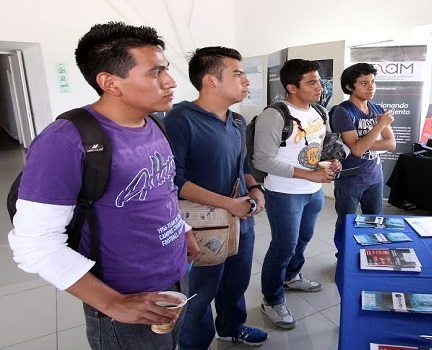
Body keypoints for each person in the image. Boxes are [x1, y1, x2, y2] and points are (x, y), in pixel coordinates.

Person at [7, 22, 200, 349]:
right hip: (127, 293)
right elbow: (34, 244)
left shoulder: (154, 122)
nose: (170, 81)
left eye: (165, 69)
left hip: (174, 274)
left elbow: (159, 191)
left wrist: (182, 229)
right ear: (110, 82)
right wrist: (111, 303)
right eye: (155, 73)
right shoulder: (65, 141)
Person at [163, 47, 268, 348]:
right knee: (199, 294)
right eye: (237, 74)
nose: (246, 81)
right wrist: (228, 204)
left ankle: (231, 327)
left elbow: (244, 166)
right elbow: (175, 179)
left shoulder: (236, 121)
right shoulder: (180, 119)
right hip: (201, 225)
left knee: (236, 282)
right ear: (210, 80)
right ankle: (194, 343)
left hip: (239, 220)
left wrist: (254, 188)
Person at [253, 59, 341, 329]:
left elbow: (324, 144)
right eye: (312, 82)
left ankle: (291, 276)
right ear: (292, 87)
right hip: (285, 193)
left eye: (320, 81)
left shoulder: (318, 111)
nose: (320, 87)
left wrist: (333, 160)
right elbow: (262, 160)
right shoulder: (274, 115)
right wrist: (309, 175)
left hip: (313, 192)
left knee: (303, 239)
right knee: (283, 246)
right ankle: (271, 299)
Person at [330, 63, 395, 250]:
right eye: (364, 83)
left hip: (374, 175)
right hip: (350, 179)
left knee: (375, 222)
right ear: (350, 86)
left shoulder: (377, 109)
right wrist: (379, 126)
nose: (371, 87)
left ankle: (369, 255)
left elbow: (391, 144)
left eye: (373, 82)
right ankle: (343, 258)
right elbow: (357, 150)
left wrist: (363, 142)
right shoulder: (342, 111)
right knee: (346, 223)